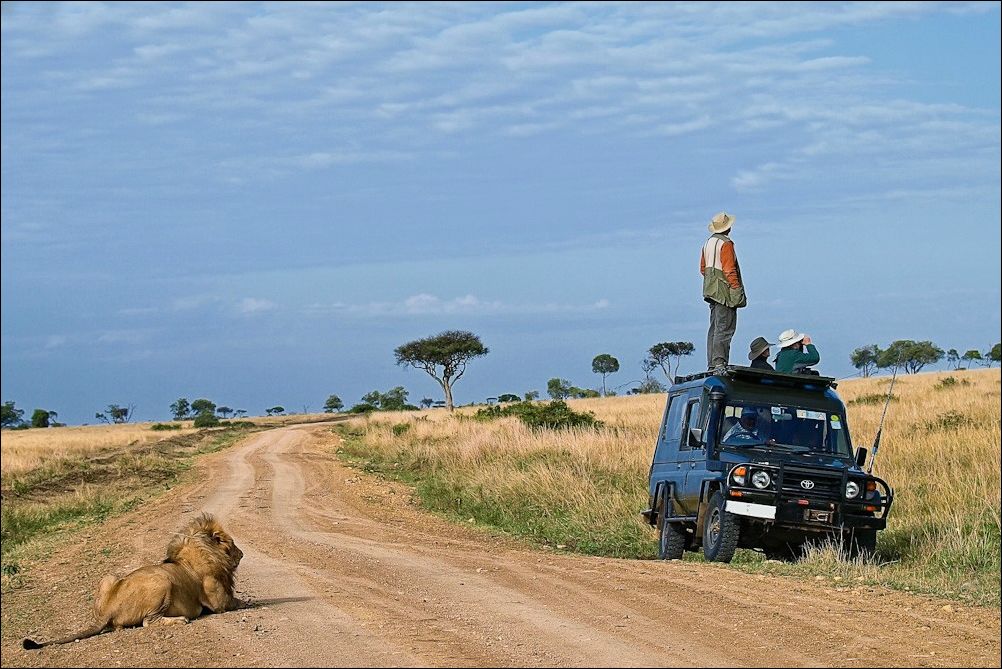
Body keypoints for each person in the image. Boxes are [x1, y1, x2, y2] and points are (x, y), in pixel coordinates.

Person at [700, 212, 746, 372]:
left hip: (710, 290)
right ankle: (719, 363)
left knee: (714, 327)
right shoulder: (726, 243)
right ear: (728, 227)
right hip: (724, 291)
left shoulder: (708, 243)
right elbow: (729, 269)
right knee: (725, 327)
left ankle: (712, 364)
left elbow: (702, 268)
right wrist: (735, 289)